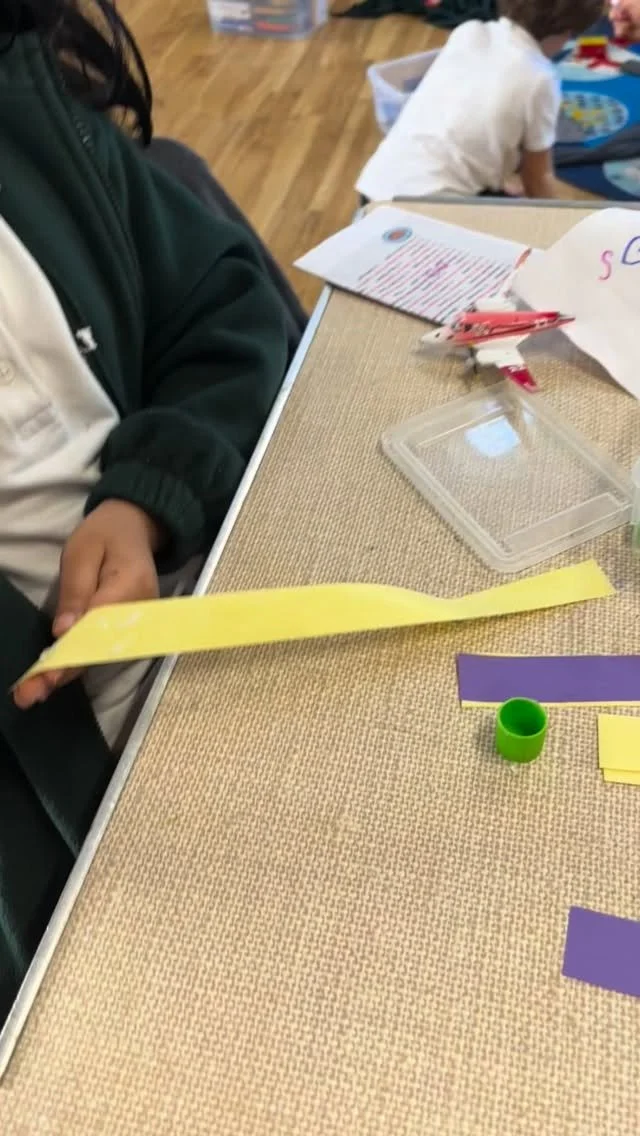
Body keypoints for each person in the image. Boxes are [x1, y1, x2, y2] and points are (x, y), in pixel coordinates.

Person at [0, 0, 300, 1025]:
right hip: (60, 844)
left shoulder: (34, 119)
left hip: (222, 624)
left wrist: (145, 495)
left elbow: (226, 312)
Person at [356, 0, 604, 202]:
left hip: (375, 188)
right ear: (565, 30)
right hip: (425, 210)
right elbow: (537, 181)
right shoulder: (540, 78)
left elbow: (466, 121)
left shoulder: (468, 32)